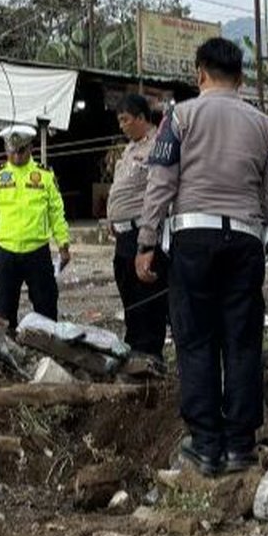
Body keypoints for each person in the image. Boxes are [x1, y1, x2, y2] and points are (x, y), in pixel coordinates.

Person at [135, 37, 268, 476]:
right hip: (244, 241)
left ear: (199, 72)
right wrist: (249, 218)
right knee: (242, 341)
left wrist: (147, 243)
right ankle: (241, 446)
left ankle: (205, 446)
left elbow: (160, 185)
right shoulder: (266, 126)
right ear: (240, 78)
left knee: (196, 340)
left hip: (192, 242)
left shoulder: (178, 117)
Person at [0, 124, 70, 332]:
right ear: (5, 150)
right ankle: (10, 352)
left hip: (37, 252)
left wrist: (63, 244)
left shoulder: (44, 176)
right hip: (5, 253)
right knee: (4, 311)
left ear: (31, 149)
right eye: (11, 152)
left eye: (21, 151)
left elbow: (57, 213)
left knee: (46, 308)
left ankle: (49, 352)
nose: (16, 156)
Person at [106, 94, 168, 372]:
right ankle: (134, 349)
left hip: (141, 231)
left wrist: (149, 238)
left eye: (125, 119)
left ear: (142, 118)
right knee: (128, 292)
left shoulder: (158, 146)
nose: (122, 126)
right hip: (122, 235)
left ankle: (150, 352)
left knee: (146, 295)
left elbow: (158, 191)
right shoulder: (130, 149)